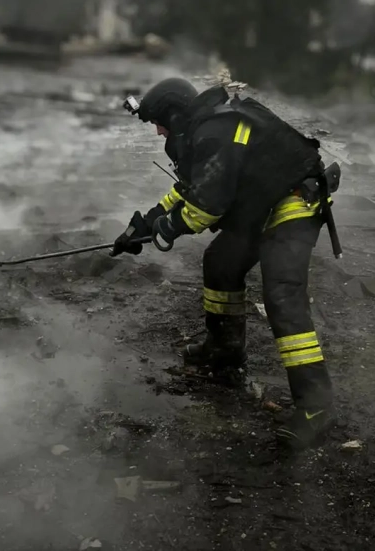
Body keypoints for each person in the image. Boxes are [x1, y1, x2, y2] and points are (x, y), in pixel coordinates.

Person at [112, 78, 342, 451]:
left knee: (282, 295)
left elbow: (206, 208)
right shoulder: (206, 131)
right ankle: (225, 352)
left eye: (159, 123)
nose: (158, 131)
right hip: (263, 205)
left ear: (175, 114)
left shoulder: (217, 130)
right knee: (221, 262)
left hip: (295, 200)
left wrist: (167, 228)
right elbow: (190, 190)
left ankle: (317, 405)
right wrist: (144, 225)